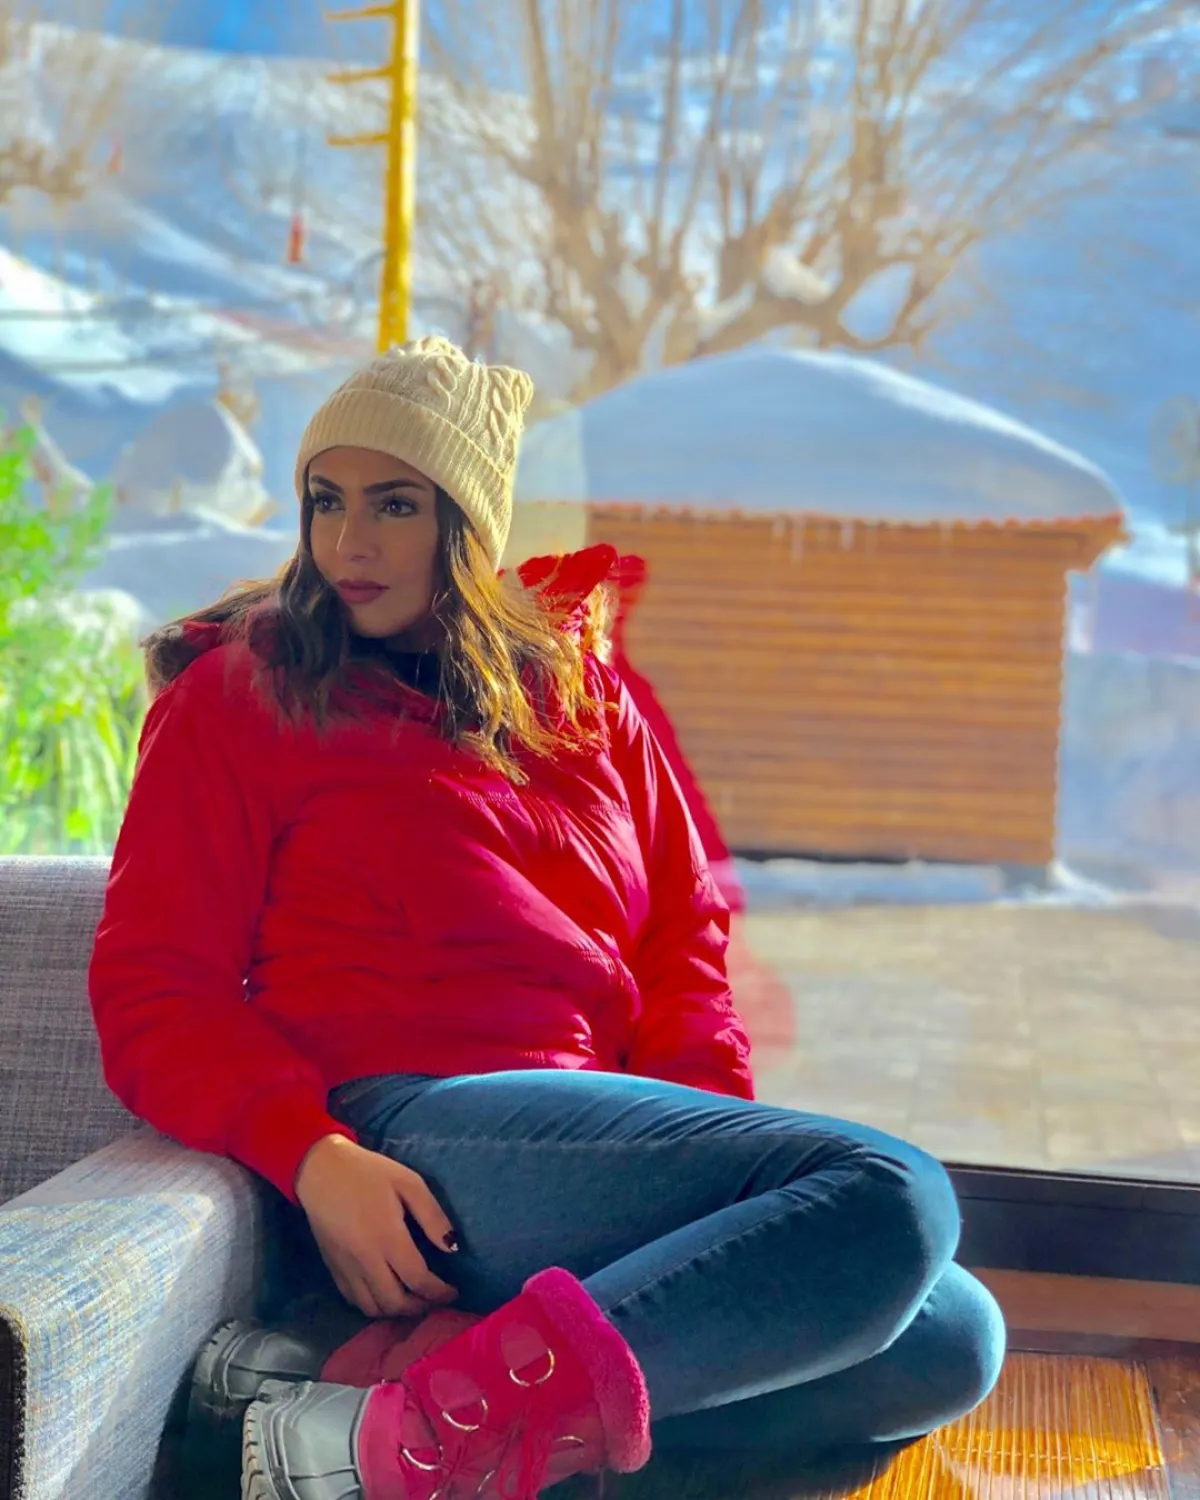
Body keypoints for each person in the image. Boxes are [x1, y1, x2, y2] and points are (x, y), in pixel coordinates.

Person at [88, 337, 1005, 1500]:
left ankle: (374, 1411)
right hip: (407, 1136)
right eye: (326, 500)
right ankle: (391, 1445)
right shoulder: (241, 697)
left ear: (469, 525)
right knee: (892, 1198)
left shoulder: (587, 703)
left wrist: (707, 1154)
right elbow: (155, 989)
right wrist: (313, 1157)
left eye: (395, 504)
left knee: (947, 1341)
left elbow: (683, 954)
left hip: (588, 1136)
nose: (349, 542)